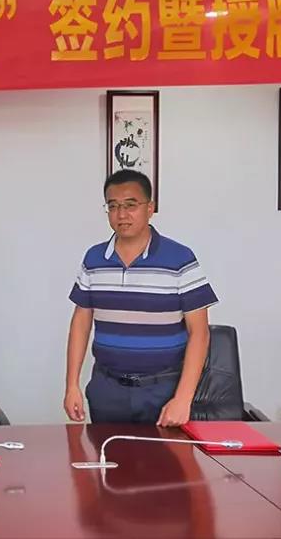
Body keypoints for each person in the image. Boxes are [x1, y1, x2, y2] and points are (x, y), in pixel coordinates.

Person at [63, 169, 218, 426]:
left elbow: (199, 333)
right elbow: (80, 322)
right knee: (106, 452)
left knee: (165, 454)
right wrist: (72, 385)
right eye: (113, 206)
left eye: (130, 205)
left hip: (164, 390)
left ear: (150, 208)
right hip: (107, 389)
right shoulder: (94, 259)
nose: (121, 214)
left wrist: (183, 399)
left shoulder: (180, 259)